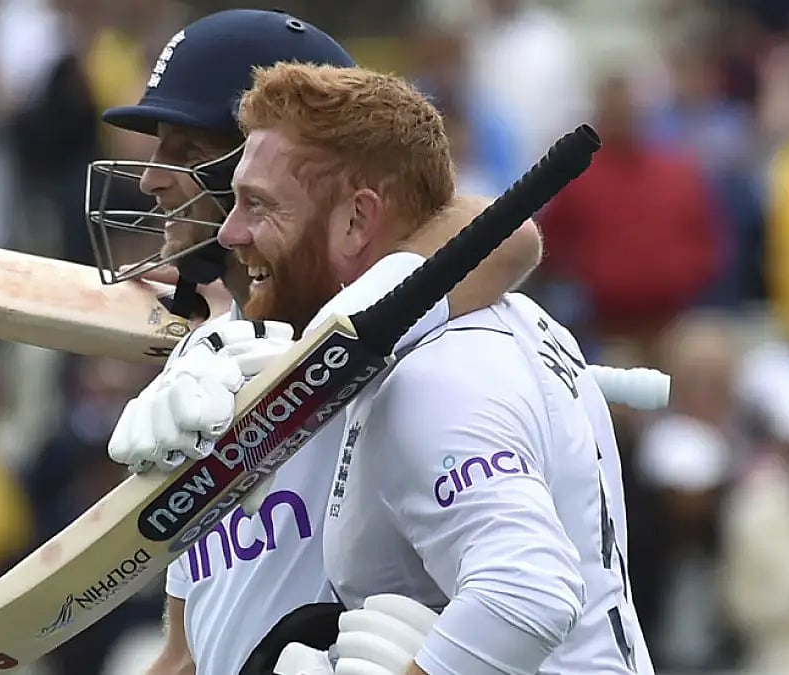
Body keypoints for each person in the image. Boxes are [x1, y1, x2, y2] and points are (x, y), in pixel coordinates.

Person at [89, 10, 545, 675]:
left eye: (183, 151)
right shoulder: (203, 363)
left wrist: (325, 349)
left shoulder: (396, 344)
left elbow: (508, 233)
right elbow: (186, 651)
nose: (153, 177)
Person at [215, 63, 654, 675]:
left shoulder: (435, 374)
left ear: (357, 221)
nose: (228, 231)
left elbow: (527, 592)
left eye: (258, 206)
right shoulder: (494, 324)